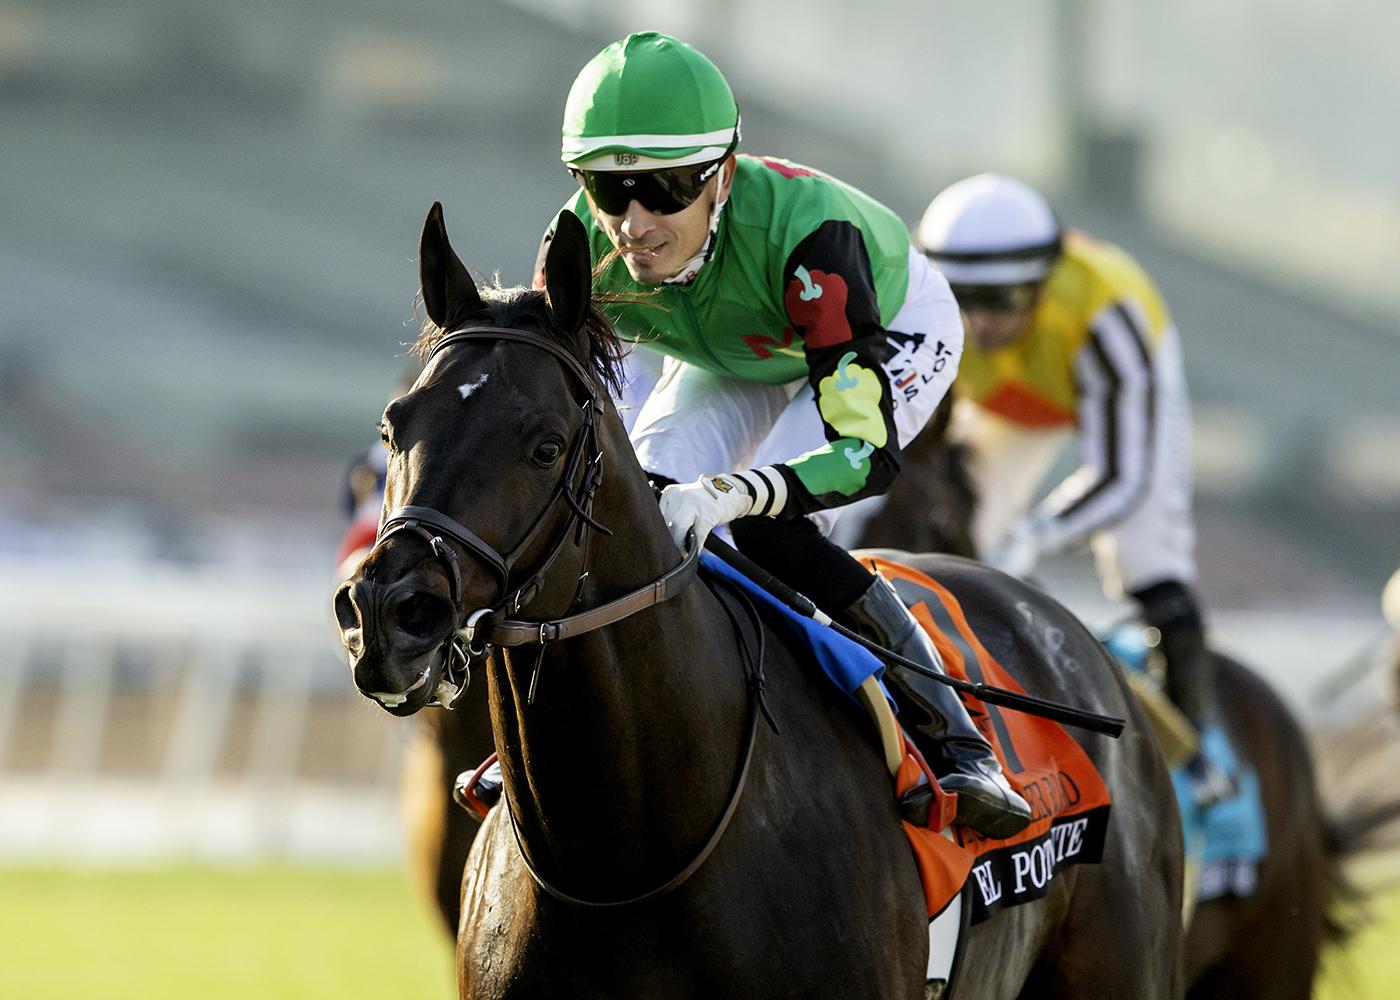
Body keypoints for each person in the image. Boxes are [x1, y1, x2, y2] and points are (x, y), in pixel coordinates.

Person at [533, 32, 1031, 838]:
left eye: (662, 187)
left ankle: (960, 742)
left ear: (722, 175)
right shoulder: (580, 245)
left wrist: (737, 490)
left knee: (770, 525)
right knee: (641, 508)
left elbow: (861, 457)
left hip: (880, 327)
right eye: (607, 187)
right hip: (739, 347)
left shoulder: (814, 240)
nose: (633, 222)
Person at [915, 172, 1233, 808]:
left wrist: (1037, 534)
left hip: (1108, 389)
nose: (978, 322)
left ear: (1042, 282)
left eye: (1000, 298)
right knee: (962, 545)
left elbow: (1123, 475)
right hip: (1009, 404)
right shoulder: (917, 300)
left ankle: (1196, 753)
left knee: (1145, 555)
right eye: (960, 296)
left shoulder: (1105, 308)